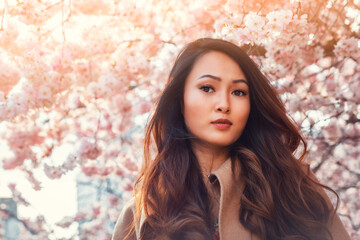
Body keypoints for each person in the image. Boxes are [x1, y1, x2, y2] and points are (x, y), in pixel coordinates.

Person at [112, 38, 351, 240]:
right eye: (207, 88)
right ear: (180, 100)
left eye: (238, 92)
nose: (224, 105)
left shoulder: (292, 186)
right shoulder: (144, 212)